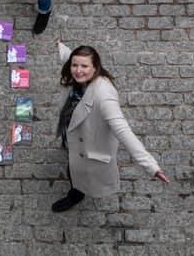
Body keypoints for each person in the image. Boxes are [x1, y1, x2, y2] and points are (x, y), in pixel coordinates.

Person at [52, 40, 169, 212]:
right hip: (73, 133)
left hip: (87, 144)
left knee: (75, 169)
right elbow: (68, 57)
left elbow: (123, 131)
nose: (78, 70)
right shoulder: (78, 75)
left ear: (95, 67)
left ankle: (76, 194)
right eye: (74, 65)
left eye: (84, 66)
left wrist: (151, 166)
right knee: (72, 160)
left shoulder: (104, 95)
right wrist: (61, 47)